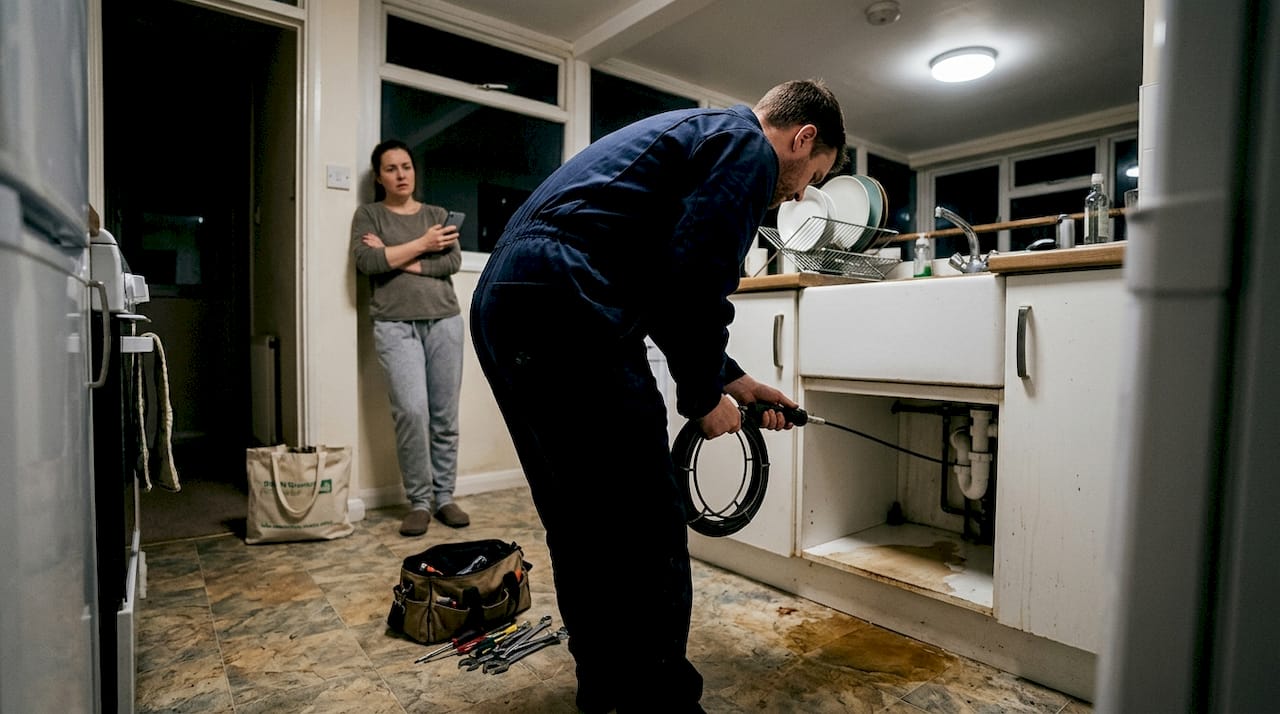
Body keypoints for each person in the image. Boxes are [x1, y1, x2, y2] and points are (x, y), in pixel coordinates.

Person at [469, 79, 845, 712]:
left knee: (580, 518)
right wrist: (702, 399)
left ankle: (606, 689)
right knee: (647, 521)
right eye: (814, 175)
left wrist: (734, 381)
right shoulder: (747, 146)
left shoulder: (696, 136)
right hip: (568, 302)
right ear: (802, 138)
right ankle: (662, 702)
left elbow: (668, 287)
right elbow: (697, 278)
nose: (802, 192)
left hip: (509, 302)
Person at [351, 139, 470, 537]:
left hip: (445, 321)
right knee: (412, 412)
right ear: (379, 177)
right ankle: (419, 502)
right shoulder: (369, 215)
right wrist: (423, 245)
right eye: (391, 168)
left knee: (444, 415)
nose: (401, 175)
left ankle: (445, 497)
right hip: (394, 325)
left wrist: (395, 255)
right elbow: (368, 262)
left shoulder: (436, 214)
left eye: (406, 166)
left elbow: (451, 261)